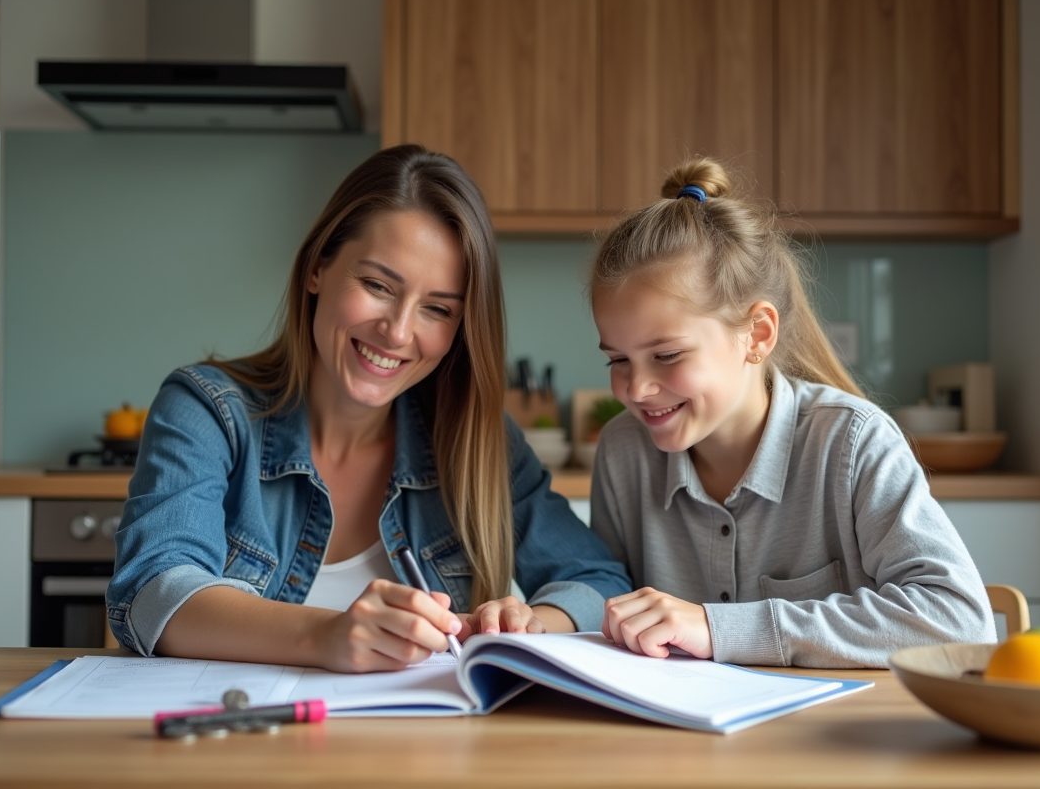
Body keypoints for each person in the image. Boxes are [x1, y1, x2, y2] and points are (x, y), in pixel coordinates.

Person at [107, 144, 630, 673]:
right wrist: (327, 635)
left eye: (437, 309)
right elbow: (153, 593)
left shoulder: (478, 442)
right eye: (378, 285)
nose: (398, 332)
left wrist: (531, 622)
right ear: (317, 268)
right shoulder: (207, 411)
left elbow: (600, 582)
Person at [587, 157, 995, 669]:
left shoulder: (852, 443)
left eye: (667, 355)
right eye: (617, 360)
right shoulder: (623, 451)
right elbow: (605, 596)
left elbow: (958, 618)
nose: (637, 388)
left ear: (756, 334)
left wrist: (720, 628)